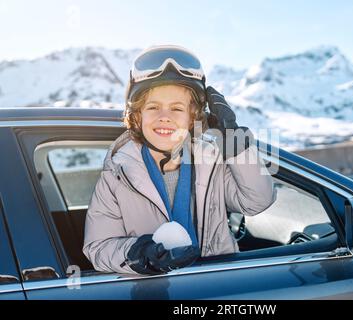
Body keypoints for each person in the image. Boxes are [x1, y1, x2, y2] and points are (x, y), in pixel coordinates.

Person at [83, 45, 277, 275]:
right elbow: (98, 248)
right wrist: (138, 254)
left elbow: (258, 200)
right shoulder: (117, 174)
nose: (164, 117)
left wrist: (234, 139)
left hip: (218, 282)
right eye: (153, 107)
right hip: (155, 289)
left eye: (176, 109)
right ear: (137, 115)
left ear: (192, 117)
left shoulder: (212, 162)